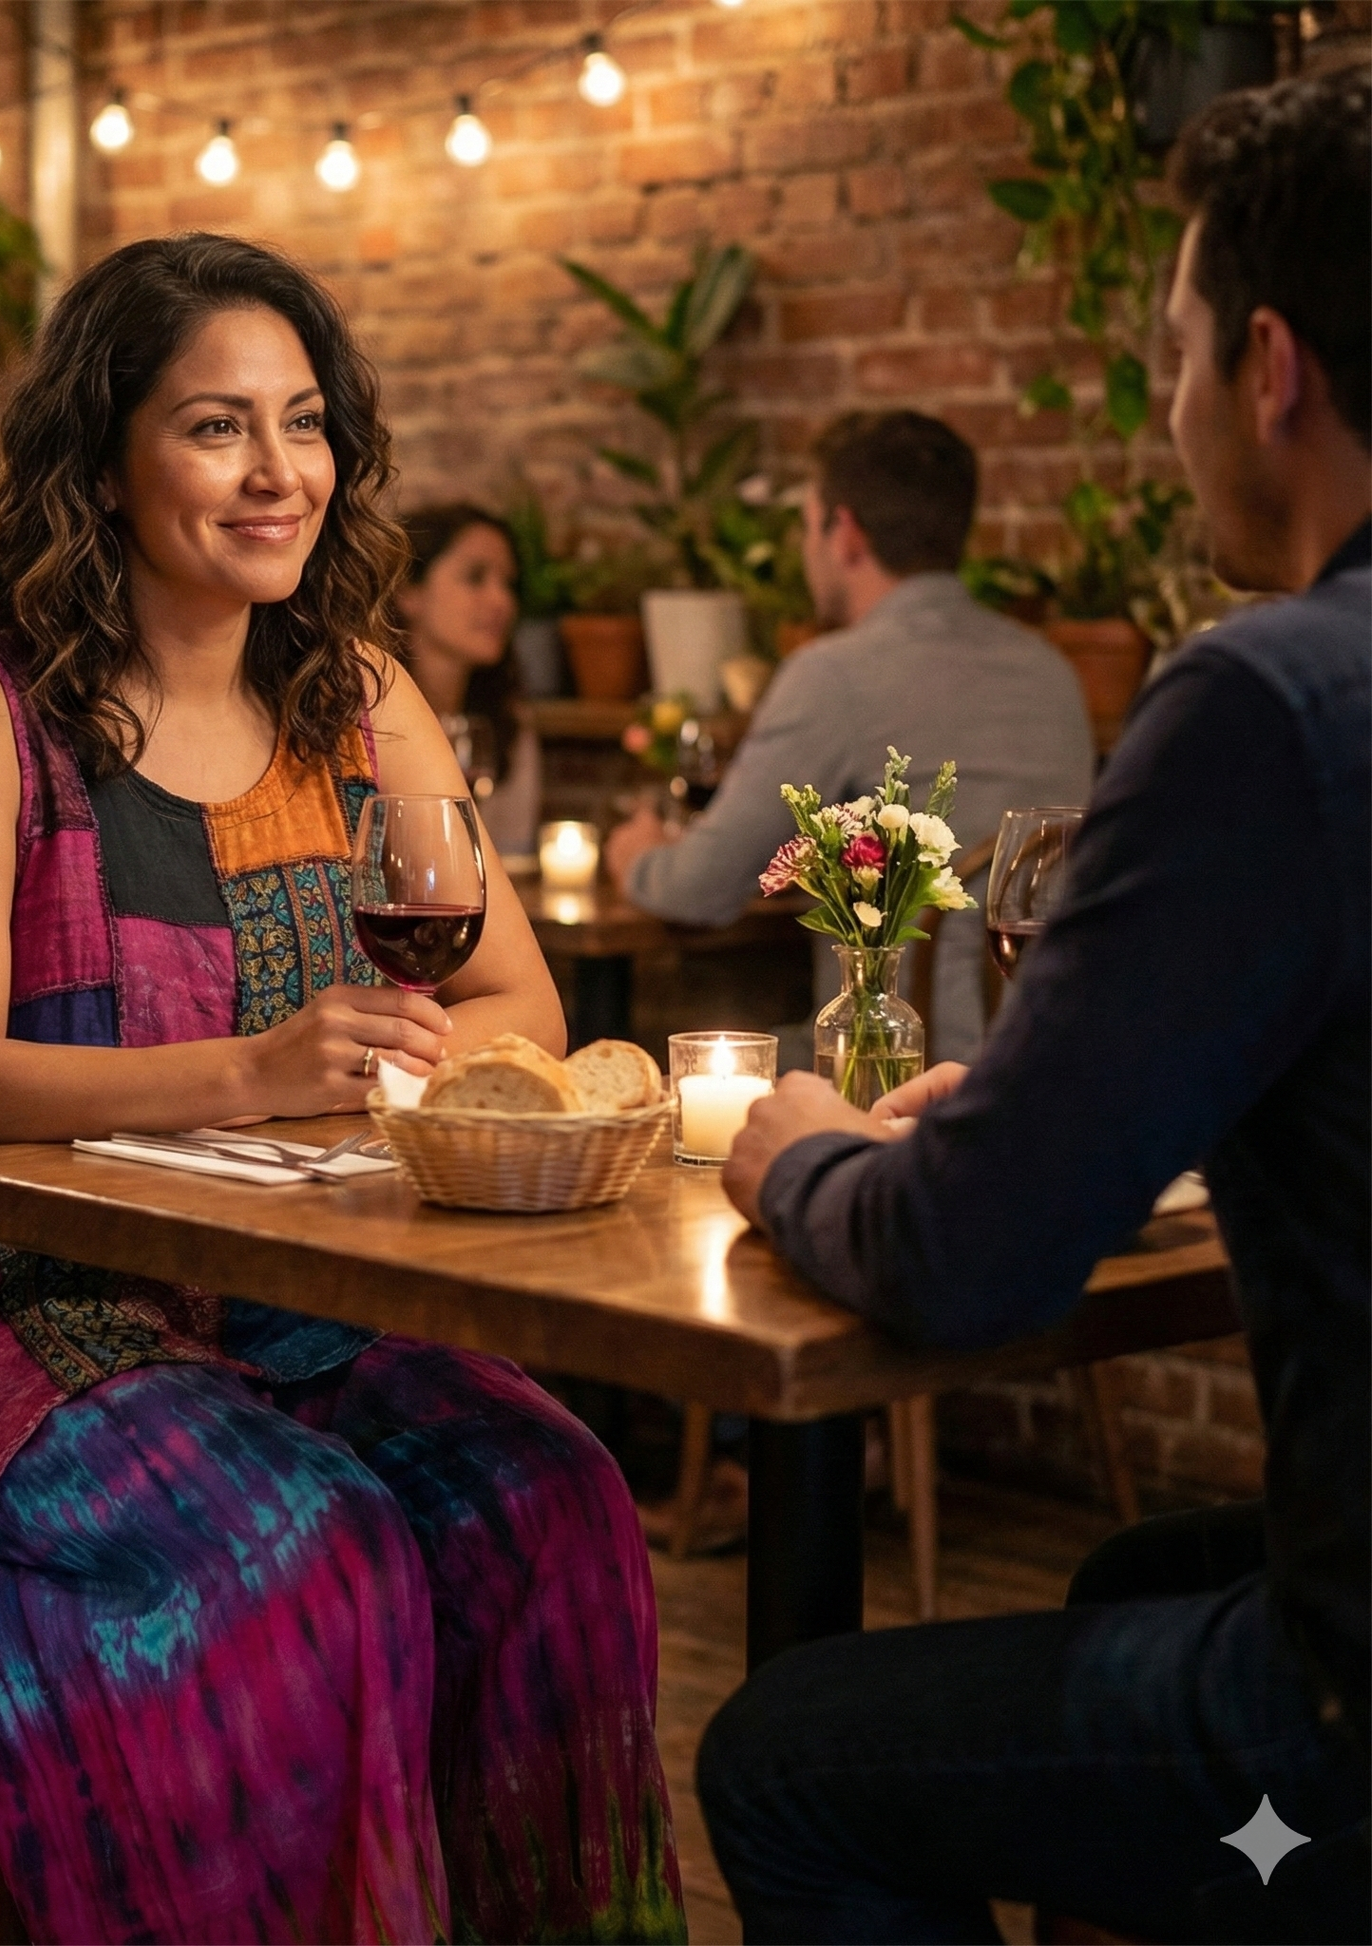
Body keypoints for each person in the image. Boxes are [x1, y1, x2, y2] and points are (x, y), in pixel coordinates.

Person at [0, 234, 685, 1945]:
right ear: (101, 461)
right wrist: (252, 1072)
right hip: (14, 1323)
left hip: (298, 1293)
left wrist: (417, 1067)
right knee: (308, 1558)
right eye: (215, 427)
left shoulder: (360, 700)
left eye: (305, 421)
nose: (280, 473)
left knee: (554, 1509)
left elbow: (512, 994)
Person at [699, 68, 1369, 1943]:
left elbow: (975, 1257)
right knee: (1123, 1578)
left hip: (1348, 1731)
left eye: (1165, 358)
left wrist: (802, 1157)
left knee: (784, 1760)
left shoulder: (1273, 701)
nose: (1165, 420)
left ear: (1266, 366)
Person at [604, 411, 1093, 1065]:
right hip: (1052, 1061)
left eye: (807, 525)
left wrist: (636, 854)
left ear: (845, 533)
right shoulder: (1052, 674)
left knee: (678, 1062)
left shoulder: (835, 675)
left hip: (895, 1071)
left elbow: (698, 890)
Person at [397, 503, 543, 856]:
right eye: (475, 577)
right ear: (409, 594)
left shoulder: (506, 720)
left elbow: (511, 853)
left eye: (507, 583)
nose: (501, 601)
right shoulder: (367, 713)